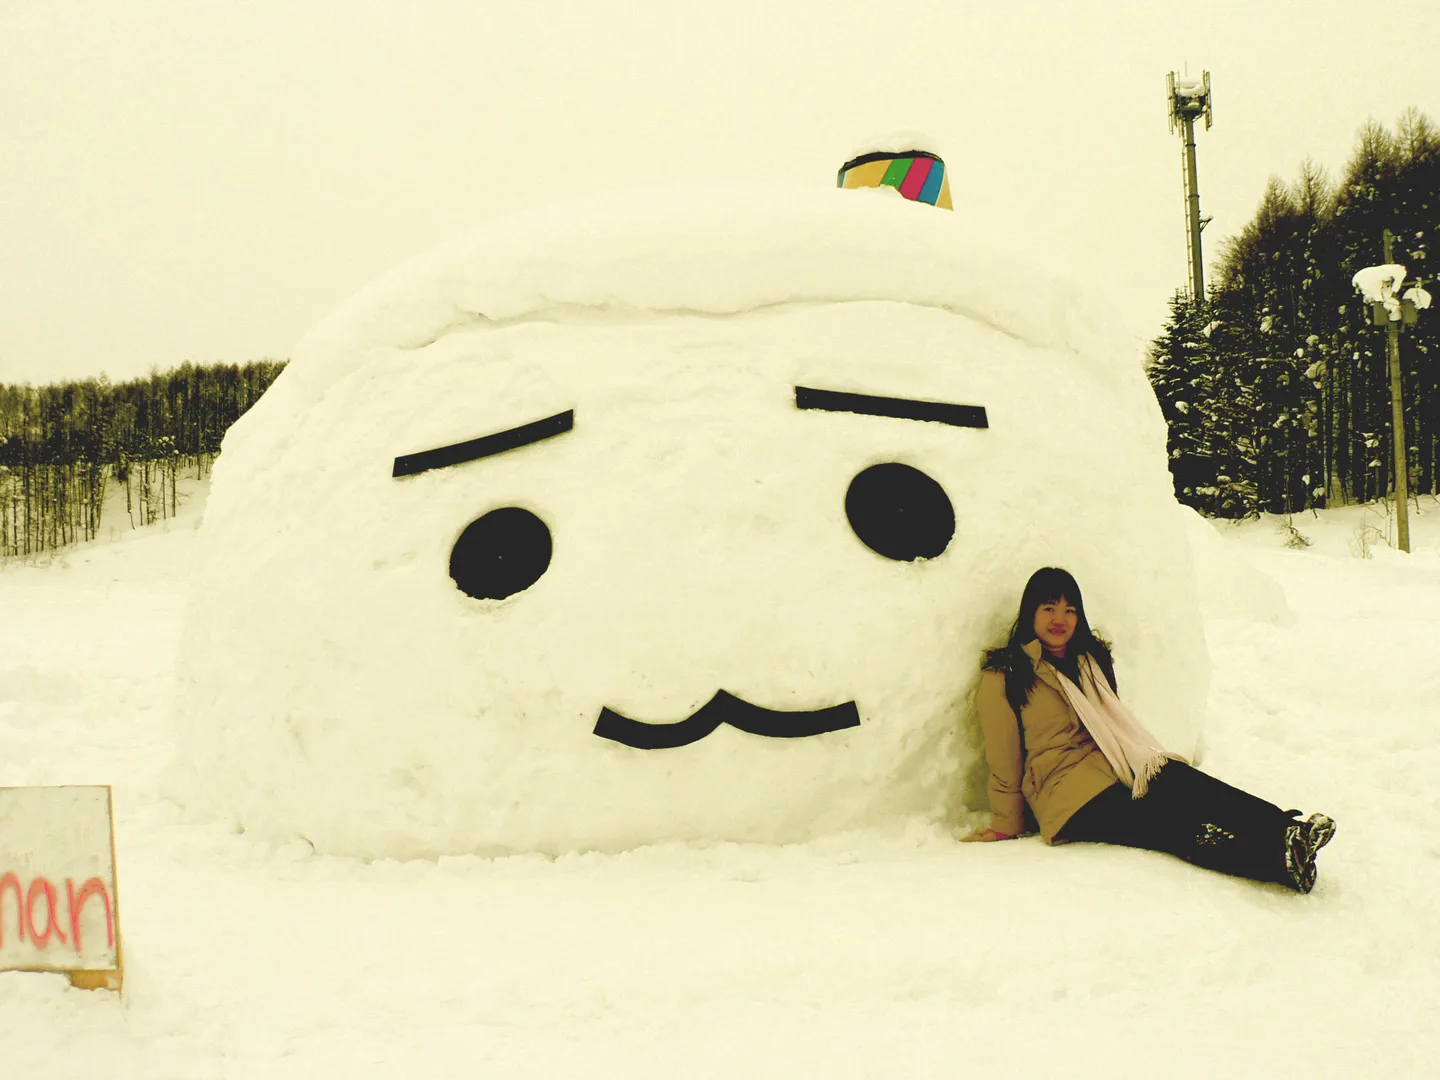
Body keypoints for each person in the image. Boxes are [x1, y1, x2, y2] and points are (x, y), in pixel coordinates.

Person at [963, 567, 1335, 894]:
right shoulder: (1006, 675)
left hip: (1115, 766)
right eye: (1049, 608)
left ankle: (1285, 830)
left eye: (1070, 610)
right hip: (1065, 795)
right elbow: (1004, 758)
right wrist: (1006, 823)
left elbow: (1110, 724)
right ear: (1031, 612)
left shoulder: (1089, 662)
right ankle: (1278, 860)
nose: (1060, 619)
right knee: (1169, 826)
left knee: (1183, 781)